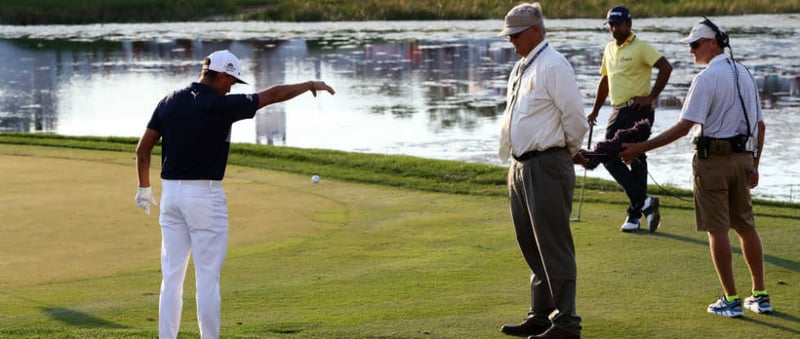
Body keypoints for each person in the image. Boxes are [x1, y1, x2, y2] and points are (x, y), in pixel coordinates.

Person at [134, 49, 335, 339]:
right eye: (231, 81)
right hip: (204, 196)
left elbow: (143, 149)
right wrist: (309, 85)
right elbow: (272, 95)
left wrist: (144, 188)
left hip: (171, 197)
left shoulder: (169, 101)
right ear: (222, 75)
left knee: (172, 277)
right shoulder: (222, 106)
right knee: (207, 279)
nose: (231, 88)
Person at [618, 18, 770, 318]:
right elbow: (760, 126)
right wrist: (754, 165)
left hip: (712, 161)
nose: (691, 50)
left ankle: (731, 299)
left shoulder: (706, 78)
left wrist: (639, 148)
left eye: (696, 44)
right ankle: (761, 296)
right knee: (745, 226)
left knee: (718, 229)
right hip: (742, 159)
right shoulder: (745, 73)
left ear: (714, 43)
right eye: (690, 45)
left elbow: (683, 127)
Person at [495, 3, 588, 338]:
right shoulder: (523, 66)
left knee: (553, 245)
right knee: (531, 244)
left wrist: (569, 152)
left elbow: (575, 118)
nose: (512, 41)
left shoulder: (553, 65)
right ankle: (542, 313)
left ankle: (566, 322)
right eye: (509, 36)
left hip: (548, 164)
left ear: (536, 30)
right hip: (520, 166)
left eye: (517, 35)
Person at [587, 5, 672, 233]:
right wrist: (595, 110)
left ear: (629, 24)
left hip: (638, 111)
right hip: (616, 111)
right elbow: (605, 82)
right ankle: (643, 205)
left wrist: (651, 97)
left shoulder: (641, 47)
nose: (614, 28)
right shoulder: (608, 49)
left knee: (632, 155)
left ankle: (637, 211)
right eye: (611, 25)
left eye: (618, 24)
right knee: (611, 156)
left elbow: (666, 67)